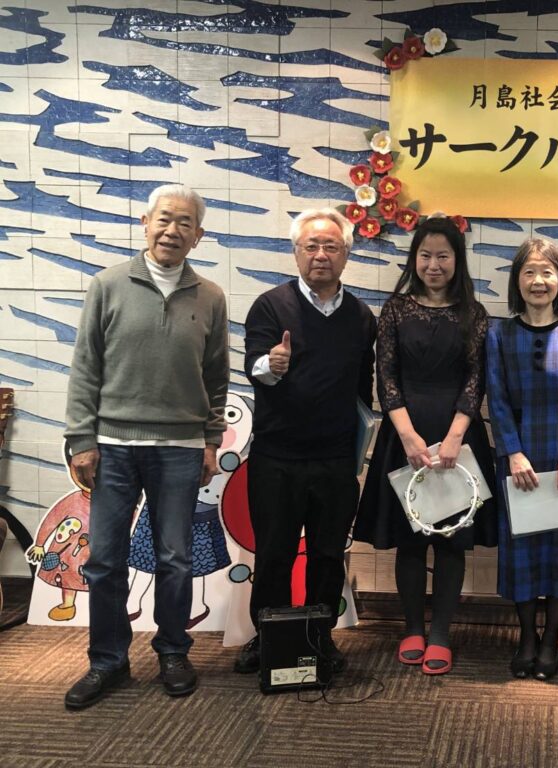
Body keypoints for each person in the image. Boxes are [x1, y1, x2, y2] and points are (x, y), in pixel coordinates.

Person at [63, 184, 229, 709]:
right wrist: (81, 440)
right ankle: (107, 661)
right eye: (165, 219)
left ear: (198, 236)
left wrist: (210, 441)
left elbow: (217, 377)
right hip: (112, 446)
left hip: (180, 447)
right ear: (145, 223)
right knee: (105, 560)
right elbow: (85, 366)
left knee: (175, 559)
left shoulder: (211, 296)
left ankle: (173, 652)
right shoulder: (108, 285)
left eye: (185, 223)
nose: (172, 230)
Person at [352, 216, 497, 676]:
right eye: (426, 255)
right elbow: (386, 378)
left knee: (451, 542)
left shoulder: (474, 313)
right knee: (410, 541)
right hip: (404, 437)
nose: (434, 265)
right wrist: (409, 437)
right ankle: (413, 629)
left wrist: (454, 437)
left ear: (457, 260)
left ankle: (441, 635)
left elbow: (476, 380)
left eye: (443, 256)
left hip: (459, 440)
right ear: (414, 258)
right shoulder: (395, 310)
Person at [234, 208, 376, 676]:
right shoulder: (270, 306)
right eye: (311, 246)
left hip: (335, 460)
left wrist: (358, 451)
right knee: (274, 553)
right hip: (277, 457)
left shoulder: (361, 317)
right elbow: (253, 365)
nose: (320, 255)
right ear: (296, 252)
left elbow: (363, 389)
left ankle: (320, 637)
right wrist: (270, 366)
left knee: (327, 556)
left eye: (331, 247)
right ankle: (268, 637)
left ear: (346, 254)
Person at [487, 238, 558, 681]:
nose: (539, 281)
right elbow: (496, 398)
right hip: (517, 458)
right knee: (522, 551)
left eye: (547, 272)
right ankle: (527, 639)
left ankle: (551, 639)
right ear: (517, 280)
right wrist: (512, 453)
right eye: (529, 272)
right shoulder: (499, 334)